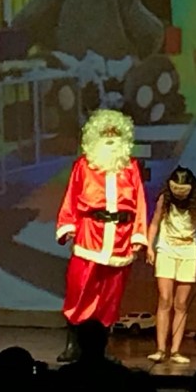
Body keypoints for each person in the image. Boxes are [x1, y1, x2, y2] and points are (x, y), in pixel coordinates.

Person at [55, 109, 149, 362]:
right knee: (80, 291)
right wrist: (68, 225)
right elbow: (71, 198)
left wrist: (138, 235)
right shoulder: (83, 166)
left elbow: (140, 203)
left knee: (110, 297)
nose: (110, 138)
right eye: (104, 133)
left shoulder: (130, 168)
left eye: (115, 133)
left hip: (120, 239)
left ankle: (101, 347)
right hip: (90, 236)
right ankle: (74, 345)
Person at [146, 166, 196, 364]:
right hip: (166, 248)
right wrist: (149, 246)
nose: (179, 194)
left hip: (188, 251)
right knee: (165, 299)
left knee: (181, 303)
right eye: (176, 189)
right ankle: (160, 349)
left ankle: (175, 350)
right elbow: (155, 223)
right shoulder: (164, 199)